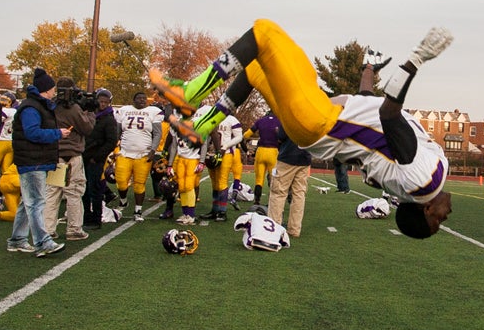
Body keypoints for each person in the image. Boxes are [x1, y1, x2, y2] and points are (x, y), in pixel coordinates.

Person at [152, 20, 454, 238]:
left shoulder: (424, 180)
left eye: (438, 222)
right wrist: (369, 71)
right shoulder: (419, 179)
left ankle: (189, 93)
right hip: (313, 125)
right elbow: (368, 105)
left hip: (318, 119)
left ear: (426, 211)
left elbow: (389, 114)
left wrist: (415, 60)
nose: (446, 216)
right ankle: (203, 126)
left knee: (264, 32)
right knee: (256, 68)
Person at [7, 68, 70, 257]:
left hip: (35, 160)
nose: (54, 92)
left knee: (27, 202)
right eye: (52, 88)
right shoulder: (31, 108)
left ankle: (17, 239)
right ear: (46, 89)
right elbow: (32, 133)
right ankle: (42, 242)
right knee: (36, 202)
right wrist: (57, 134)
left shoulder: (35, 106)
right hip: (32, 161)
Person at [44, 77, 94, 241]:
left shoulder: (51, 107)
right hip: (71, 154)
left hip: (56, 154)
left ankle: (48, 229)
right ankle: (73, 228)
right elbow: (87, 128)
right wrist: (90, 113)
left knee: (54, 193)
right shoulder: (72, 109)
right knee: (73, 192)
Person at [113, 91, 164, 222]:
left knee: (139, 184)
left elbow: (158, 133)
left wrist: (153, 150)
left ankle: (138, 210)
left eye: (144, 98)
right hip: (124, 152)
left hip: (143, 154)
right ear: (133, 100)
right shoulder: (124, 110)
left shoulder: (153, 111)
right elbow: (118, 131)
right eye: (139, 98)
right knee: (121, 181)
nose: (142, 100)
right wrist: (115, 147)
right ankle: (123, 201)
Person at [81, 88, 119, 230]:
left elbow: (111, 141)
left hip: (95, 159)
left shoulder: (109, 120)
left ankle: (96, 218)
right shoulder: (90, 114)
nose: (102, 104)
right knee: (83, 189)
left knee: (95, 189)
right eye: (100, 101)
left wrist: (97, 157)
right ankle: (85, 216)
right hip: (84, 155)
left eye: (105, 102)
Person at [267, 124, 312, 238]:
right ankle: (294, 229)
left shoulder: (290, 114)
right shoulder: (311, 117)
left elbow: (281, 136)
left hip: (287, 157)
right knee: (299, 195)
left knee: (278, 192)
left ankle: (274, 227)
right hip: (305, 158)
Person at [244, 110, 279, 205]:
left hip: (261, 152)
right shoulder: (279, 121)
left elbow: (247, 135)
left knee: (259, 179)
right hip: (273, 152)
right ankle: (272, 201)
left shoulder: (261, 121)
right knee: (273, 179)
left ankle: (257, 200)